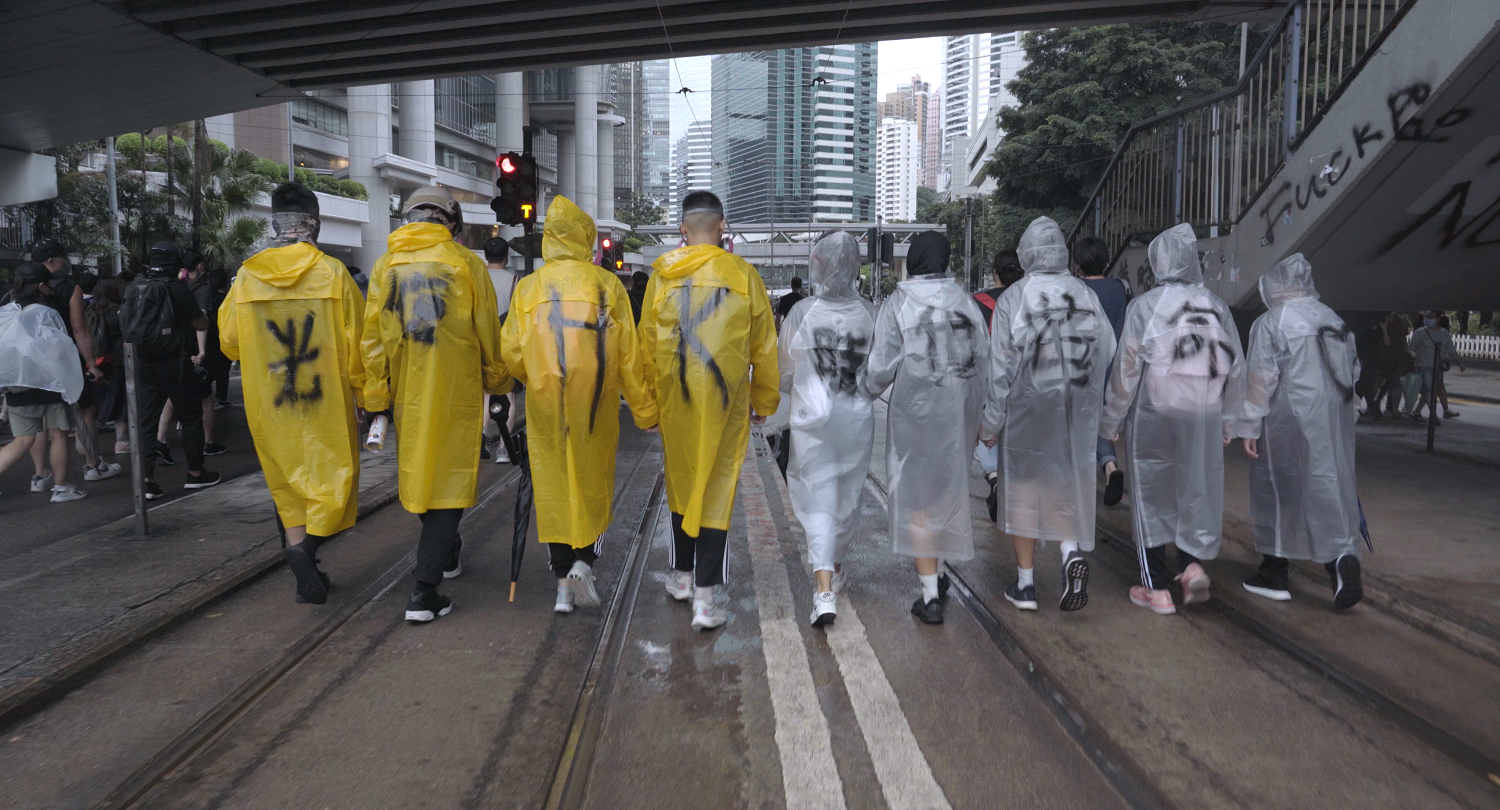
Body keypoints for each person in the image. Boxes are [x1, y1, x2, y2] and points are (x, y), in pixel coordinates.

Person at [500, 197, 658, 615]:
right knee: (591, 482)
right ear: (587, 238)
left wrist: (535, 372)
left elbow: (512, 351)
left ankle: (561, 589)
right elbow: (628, 356)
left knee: (552, 487)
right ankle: (584, 562)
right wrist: (644, 410)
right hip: (594, 402)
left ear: (549, 239)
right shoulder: (605, 286)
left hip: (546, 402)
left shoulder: (530, 287)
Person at [363, 185, 509, 624]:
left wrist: (376, 398)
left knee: (422, 473)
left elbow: (371, 339)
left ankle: (445, 552)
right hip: (456, 391)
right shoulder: (465, 264)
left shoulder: (385, 266)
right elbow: (487, 330)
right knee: (448, 480)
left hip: (408, 391)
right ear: (451, 221)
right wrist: (499, 383)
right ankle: (424, 591)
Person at [639, 190, 778, 631]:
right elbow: (764, 346)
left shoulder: (660, 276)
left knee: (681, 484)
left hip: (674, 400)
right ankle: (705, 598)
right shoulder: (743, 275)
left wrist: (647, 407)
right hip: (725, 403)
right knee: (716, 489)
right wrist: (764, 400)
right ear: (722, 226)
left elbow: (644, 346)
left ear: (682, 228)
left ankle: (681, 578)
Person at [222, 182, 367, 605]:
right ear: (314, 224)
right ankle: (308, 550)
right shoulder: (333, 272)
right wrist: (366, 396)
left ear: (274, 223)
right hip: (327, 399)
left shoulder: (248, 275)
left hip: (271, 401)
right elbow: (357, 342)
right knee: (332, 478)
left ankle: (300, 552)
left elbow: (230, 340)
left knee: (286, 482)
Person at [1099, 224, 1245, 615]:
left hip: (1155, 414)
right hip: (1205, 413)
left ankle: (1156, 589)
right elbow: (1237, 367)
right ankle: (1192, 566)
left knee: (1150, 493)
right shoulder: (1217, 305)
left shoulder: (1145, 306)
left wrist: (1110, 421)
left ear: (1157, 261)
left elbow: (1126, 371)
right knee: (1194, 489)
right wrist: (1231, 422)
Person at [981, 217, 1117, 613]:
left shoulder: (1013, 298)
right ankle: (1070, 550)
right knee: (1063, 479)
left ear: (1026, 254)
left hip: (1028, 405)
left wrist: (990, 424)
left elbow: (1001, 368)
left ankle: (1025, 585)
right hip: (1075, 405)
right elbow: (1106, 348)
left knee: (1023, 488)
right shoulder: (1084, 294)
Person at [864, 231, 990, 625]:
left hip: (915, 414)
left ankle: (930, 594)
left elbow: (880, 365)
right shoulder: (965, 303)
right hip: (959, 413)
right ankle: (936, 571)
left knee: (918, 497)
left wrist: (865, 391)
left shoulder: (899, 303)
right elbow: (984, 357)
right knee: (945, 491)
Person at [1236, 254, 1362, 610]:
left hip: (1286, 417)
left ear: (1276, 287)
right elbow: (1353, 371)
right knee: (1327, 483)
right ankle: (1340, 559)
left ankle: (1274, 572)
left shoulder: (1272, 322)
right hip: (1333, 417)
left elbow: (1261, 380)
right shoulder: (1333, 320)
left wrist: (1249, 424)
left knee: (1277, 488)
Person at [780, 231, 877, 627]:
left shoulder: (803, 312)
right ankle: (835, 565)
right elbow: (881, 368)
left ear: (817, 264)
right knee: (847, 497)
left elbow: (785, 372)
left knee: (816, 496)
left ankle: (823, 591)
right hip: (855, 419)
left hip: (812, 420)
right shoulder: (871, 311)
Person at [123, 242, 222, 499]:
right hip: (174, 363)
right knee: (190, 416)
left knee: (146, 420)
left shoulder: (134, 287)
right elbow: (200, 322)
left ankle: (146, 480)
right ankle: (195, 474)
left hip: (141, 363)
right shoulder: (177, 289)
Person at [0, 263, 89, 502]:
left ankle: (41, 477)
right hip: (49, 385)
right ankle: (61, 489)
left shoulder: (5, 312)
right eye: (49, 285)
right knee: (59, 435)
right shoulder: (45, 313)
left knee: (22, 441)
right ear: (41, 286)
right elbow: (60, 350)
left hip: (16, 387)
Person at [1074, 235, 1132, 506]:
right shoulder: (1121, 288)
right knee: (1103, 423)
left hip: (1083, 366)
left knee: (1081, 427)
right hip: (1115, 367)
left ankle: (1083, 486)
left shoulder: (1075, 289)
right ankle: (1110, 467)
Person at [972, 249, 1024, 521]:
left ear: (995, 273)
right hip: (1023, 379)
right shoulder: (1027, 300)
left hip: (986, 377)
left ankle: (993, 477)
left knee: (987, 427)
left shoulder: (976, 302)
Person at [185, 250, 228, 456]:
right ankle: (208, 441)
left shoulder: (175, 287)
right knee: (205, 397)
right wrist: (202, 350)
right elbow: (200, 321)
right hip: (197, 349)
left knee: (171, 397)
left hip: (177, 348)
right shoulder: (202, 290)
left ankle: (161, 440)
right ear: (200, 266)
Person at [483, 235, 520, 464]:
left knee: (486, 394)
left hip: (482, 345)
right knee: (510, 397)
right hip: (507, 347)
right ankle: (505, 449)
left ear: (485, 257)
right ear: (507, 257)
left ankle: (484, 433)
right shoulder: (516, 281)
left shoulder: (476, 279)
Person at [1407, 313, 1464, 422]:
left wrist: (1460, 362)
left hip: (1438, 367)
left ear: (1437, 319)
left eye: (1431, 317)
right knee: (1429, 389)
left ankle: (1417, 411)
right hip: (1423, 366)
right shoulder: (1419, 333)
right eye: (1426, 318)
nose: (1428, 320)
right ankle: (1433, 415)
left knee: (1431, 391)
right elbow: (1411, 347)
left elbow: (1451, 350)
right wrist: (1413, 354)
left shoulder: (1444, 333)